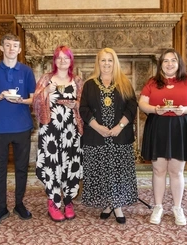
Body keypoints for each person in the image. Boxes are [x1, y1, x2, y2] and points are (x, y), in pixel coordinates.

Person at [138, 48, 187, 226]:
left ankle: (177, 207)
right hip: (158, 125)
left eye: (173, 60)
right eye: (165, 61)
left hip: (180, 127)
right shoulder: (152, 82)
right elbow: (142, 103)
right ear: (161, 64)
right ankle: (158, 207)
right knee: (159, 169)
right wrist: (155, 110)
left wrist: (184, 110)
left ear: (178, 63)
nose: (169, 64)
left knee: (176, 171)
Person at [79, 47, 138, 224]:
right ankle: (108, 204)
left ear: (115, 63)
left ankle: (117, 206)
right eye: (103, 60)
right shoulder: (89, 84)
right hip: (97, 136)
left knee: (118, 171)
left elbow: (132, 107)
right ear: (98, 63)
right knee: (102, 171)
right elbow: (84, 109)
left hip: (119, 135)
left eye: (110, 60)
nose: (106, 64)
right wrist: (98, 127)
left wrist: (120, 126)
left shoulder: (125, 83)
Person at [0, 33, 36, 227]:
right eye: (8, 45)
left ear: (20, 50)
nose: (11, 48)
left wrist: (21, 100)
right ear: (1, 48)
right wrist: (0, 96)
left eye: (15, 46)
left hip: (22, 126)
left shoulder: (27, 71)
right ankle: (1, 207)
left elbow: (34, 98)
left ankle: (19, 204)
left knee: (22, 168)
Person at [33, 45, 84, 222]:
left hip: (71, 132)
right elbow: (35, 103)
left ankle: (68, 200)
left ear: (71, 60)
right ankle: (53, 202)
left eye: (66, 58)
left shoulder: (77, 80)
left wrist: (75, 104)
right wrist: (46, 92)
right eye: (59, 58)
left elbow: (84, 104)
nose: (62, 61)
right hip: (51, 132)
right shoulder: (46, 78)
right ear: (54, 60)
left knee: (70, 164)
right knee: (52, 165)